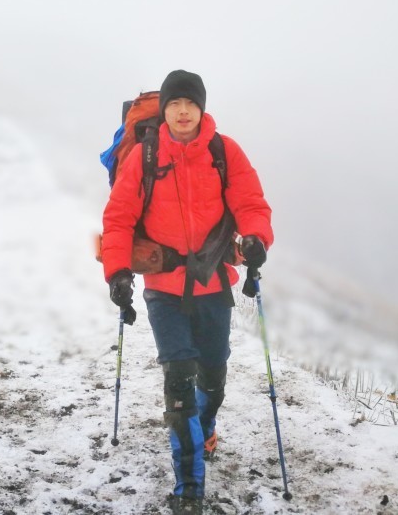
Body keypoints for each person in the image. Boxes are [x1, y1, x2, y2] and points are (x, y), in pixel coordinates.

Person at [100, 69, 273, 513]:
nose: (182, 112)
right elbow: (119, 217)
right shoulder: (144, 155)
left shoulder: (223, 151)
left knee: (212, 377)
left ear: (201, 108)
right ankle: (189, 487)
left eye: (190, 104)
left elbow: (251, 203)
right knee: (179, 382)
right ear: (164, 109)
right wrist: (118, 271)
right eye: (175, 104)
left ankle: (206, 423)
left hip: (213, 281)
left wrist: (255, 237)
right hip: (162, 287)